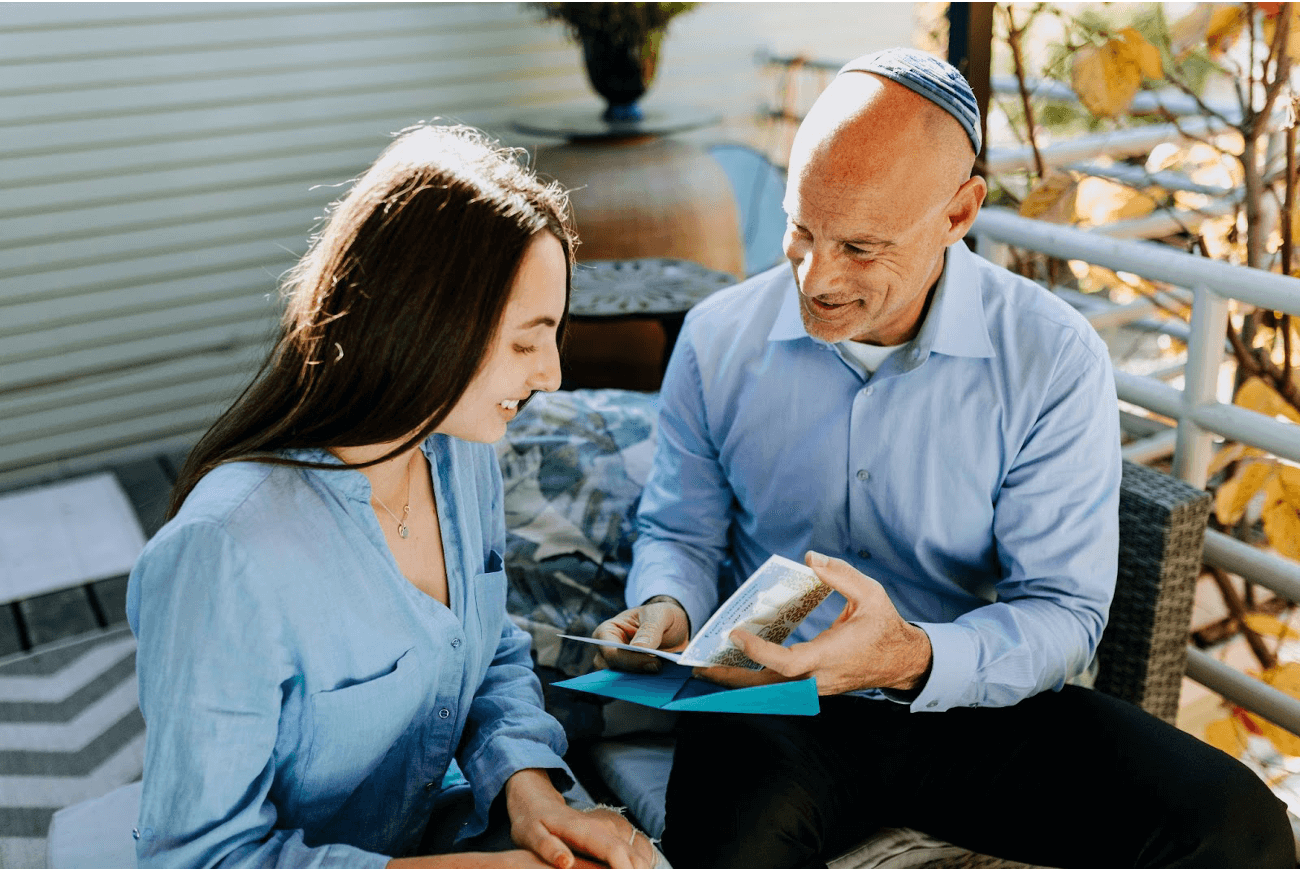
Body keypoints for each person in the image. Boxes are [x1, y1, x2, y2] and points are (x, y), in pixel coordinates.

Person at [594, 48, 1294, 869]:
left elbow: (1063, 612)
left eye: (860, 248)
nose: (816, 279)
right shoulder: (717, 338)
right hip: (772, 707)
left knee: (1240, 830)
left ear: (959, 214)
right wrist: (667, 607)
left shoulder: (1052, 357)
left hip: (976, 703)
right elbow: (679, 528)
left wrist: (910, 656)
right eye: (799, 230)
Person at [126, 124, 659, 869]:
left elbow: (490, 653)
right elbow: (198, 861)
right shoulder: (226, 552)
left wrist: (528, 790)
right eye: (525, 341)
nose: (552, 376)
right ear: (426, 326)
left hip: (428, 829)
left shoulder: (456, 453)